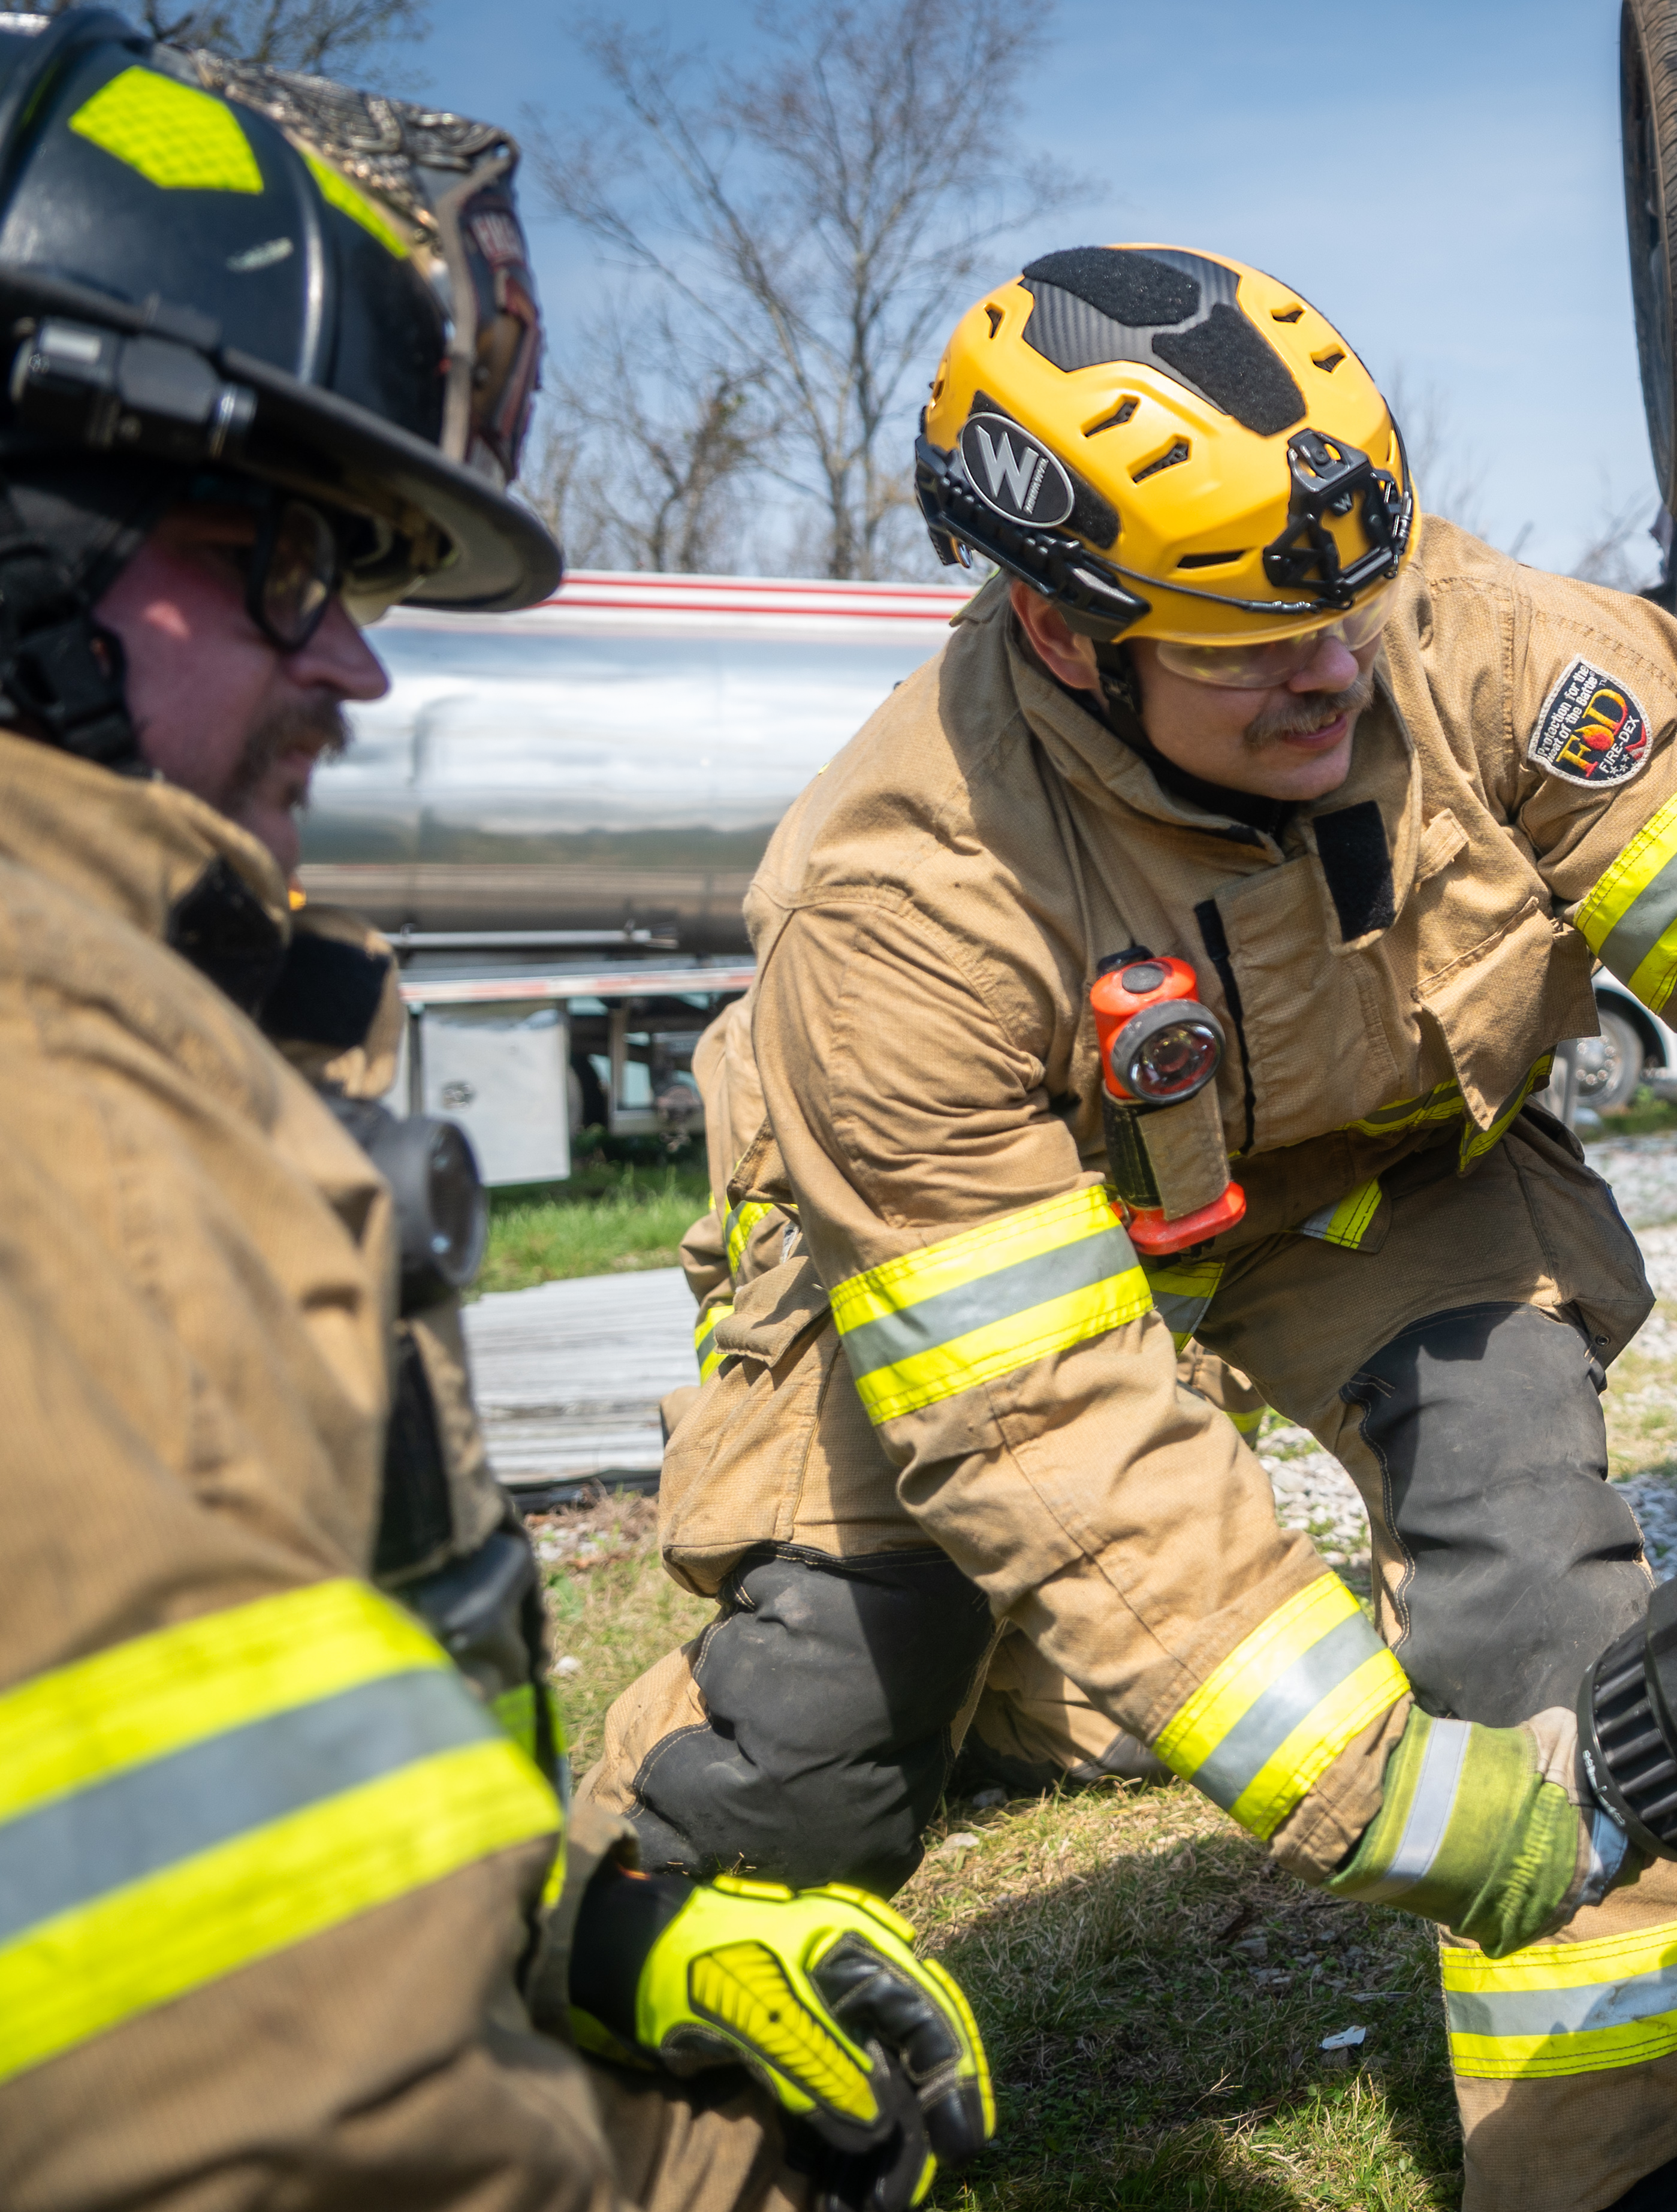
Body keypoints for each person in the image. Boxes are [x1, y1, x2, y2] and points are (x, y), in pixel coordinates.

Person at [581, 240, 1677, 2212]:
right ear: (1057, 627)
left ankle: (1611, 2174)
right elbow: (1045, 1424)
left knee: (1534, 1591)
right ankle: (639, 2027)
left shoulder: (1467, 634)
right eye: (1250, 649)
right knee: (823, 1717)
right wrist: (1374, 1791)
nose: (1341, 672)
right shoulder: (901, 904)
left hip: (1376, 1181)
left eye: (1355, 607)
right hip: (978, 1272)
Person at [0, 17, 992, 2207]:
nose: (353, 669)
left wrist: (606, 1941)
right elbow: (243, 2114)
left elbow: (214, 1842)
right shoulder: (67, 1109)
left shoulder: (148, 1031)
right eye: (286, 562)